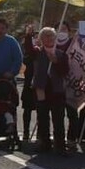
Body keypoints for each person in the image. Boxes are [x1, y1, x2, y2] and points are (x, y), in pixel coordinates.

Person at [30, 27, 69, 155]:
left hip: (57, 90)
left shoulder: (61, 54)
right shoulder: (37, 52)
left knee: (58, 119)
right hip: (42, 88)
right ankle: (44, 143)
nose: (49, 38)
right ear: (41, 39)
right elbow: (28, 50)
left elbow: (65, 71)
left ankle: (60, 145)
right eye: (46, 36)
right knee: (42, 117)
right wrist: (28, 34)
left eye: (51, 35)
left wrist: (56, 62)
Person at [21, 25, 39, 142]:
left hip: (42, 85)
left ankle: (41, 134)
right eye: (35, 37)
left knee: (42, 111)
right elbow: (28, 49)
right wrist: (28, 35)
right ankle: (26, 132)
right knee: (27, 110)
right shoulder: (31, 53)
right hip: (29, 85)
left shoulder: (47, 51)